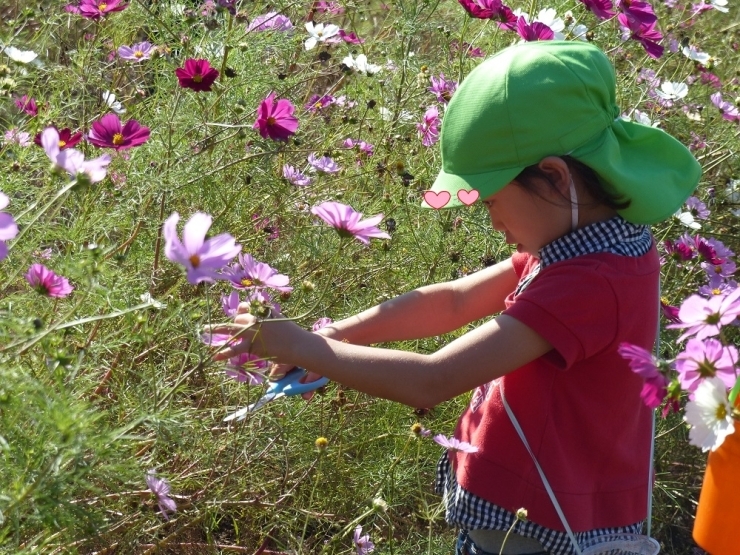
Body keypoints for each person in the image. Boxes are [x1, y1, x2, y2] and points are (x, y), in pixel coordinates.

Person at [212, 41, 701, 555]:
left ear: (555, 177)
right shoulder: (584, 244)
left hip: (541, 534)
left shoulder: (591, 280)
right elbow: (451, 302)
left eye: (492, 199)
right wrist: (336, 334)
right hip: (522, 520)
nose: (491, 219)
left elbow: (433, 380)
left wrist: (304, 350)